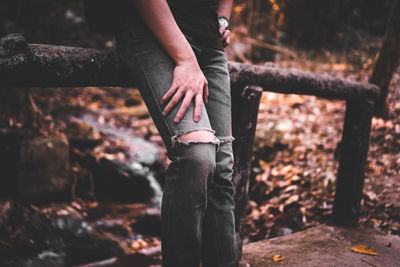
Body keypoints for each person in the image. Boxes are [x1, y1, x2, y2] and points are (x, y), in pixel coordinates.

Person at [115, 0, 238, 266]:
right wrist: (185, 58)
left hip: (209, 43)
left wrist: (223, 20)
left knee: (222, 170)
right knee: (197, 154)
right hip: (153, 33)